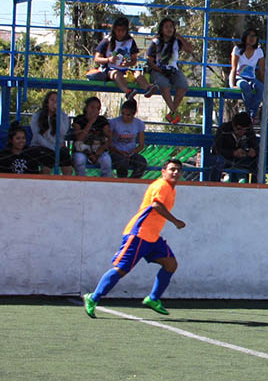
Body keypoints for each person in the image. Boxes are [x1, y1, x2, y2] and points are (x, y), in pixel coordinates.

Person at [83, 158, 186, 318]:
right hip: (139, 234)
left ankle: (153, 299)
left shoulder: (171, 189)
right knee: (122, 269)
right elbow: (156, 205)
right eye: (172, 169)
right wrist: (175, 221)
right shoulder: (162, 185)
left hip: (152, 237)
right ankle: (93, 297)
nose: (176, 172)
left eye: (178, 170)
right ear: (163, 172)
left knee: (170, 264)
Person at [87, 15, 153, 96]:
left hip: (125, 70)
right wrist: (109, 60)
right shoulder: (107, 40)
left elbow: (134, 60)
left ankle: (147, 88)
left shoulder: (130, 41)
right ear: (114, 29)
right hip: (109, 69)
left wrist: (127, 64)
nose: (120, 33)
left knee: (138, 74)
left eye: (123, 31)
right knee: (117, 74)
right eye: (118, 30)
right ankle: (128, 91)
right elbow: (97, 58)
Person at [146, 17, 193, 124]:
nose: (169, 29)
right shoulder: (156, 42)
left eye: (171, 27)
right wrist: (160, 69)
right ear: (161, 29)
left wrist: (180, 38)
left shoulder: (176, 42)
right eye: (166, 27)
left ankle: (172, 112)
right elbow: (150, 61)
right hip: (158, 70)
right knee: (164, 84)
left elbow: (189, 50)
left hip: (173, 70)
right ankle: (174, 111)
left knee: (183, 85)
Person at [29, 91, 75, 174]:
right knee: (48, 157)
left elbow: (63, 132)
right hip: (40, 146)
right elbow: (38, 137)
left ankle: (67, 182)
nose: (55, 103)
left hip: (57, 147)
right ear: (47, 102)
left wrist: (58, 115)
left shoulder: (63, 116)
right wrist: (53, 148)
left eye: (57, 101)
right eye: (52, 100)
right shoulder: (37, 116)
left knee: (65, 155)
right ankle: (45, 181)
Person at [211, 111, 258, 182]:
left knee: (256, 164)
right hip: (225, 158)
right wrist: (233, 153)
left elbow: (255, 146)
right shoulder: (224, 129)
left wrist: (253, 151)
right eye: (239, 129)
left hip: (241, 159)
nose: (242, 132)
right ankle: (213, 185)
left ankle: (255, 187)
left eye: (245, 130)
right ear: (233, 125)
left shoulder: (249, 132)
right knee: (218, 162)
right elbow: (217, 149)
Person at [71, 96, 112, 177]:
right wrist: (90, 122)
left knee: (106, 160)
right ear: (86, 108)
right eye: (92, 107)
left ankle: (105, 184)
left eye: (97, 108)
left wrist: (97, 153)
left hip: (98, 151)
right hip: (81, 151)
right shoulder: (79, 119)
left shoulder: (102, 120)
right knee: (79, 160)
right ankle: (81, 183)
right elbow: (79, 138)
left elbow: (110, 137)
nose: (94, 110)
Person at [229, 28, 265, 119]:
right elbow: (233, 68)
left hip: (252, 78)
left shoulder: (259, 51)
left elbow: (262, 70)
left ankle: (254, 112)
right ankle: (249, 113)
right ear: (245, 37)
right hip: (239, 77)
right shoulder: (237, 49)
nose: (252, 38)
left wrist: (264, 84)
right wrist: (232, 84)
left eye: (254, 36)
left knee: (260, 87)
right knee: (245, 86)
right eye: (250, 36)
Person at [109, 99, 148, 178]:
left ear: (133, 114)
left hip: (131, 153)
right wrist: (119, 151)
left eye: (128, 115)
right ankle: (122, 182)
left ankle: (132, 182)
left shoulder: (138, 123)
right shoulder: (114, 122)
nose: (124, 117)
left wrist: (132, 152)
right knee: (123, 163)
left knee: (142, 163)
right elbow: (109, 141)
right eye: (123, 114)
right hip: (116, 152)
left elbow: (141, 144)